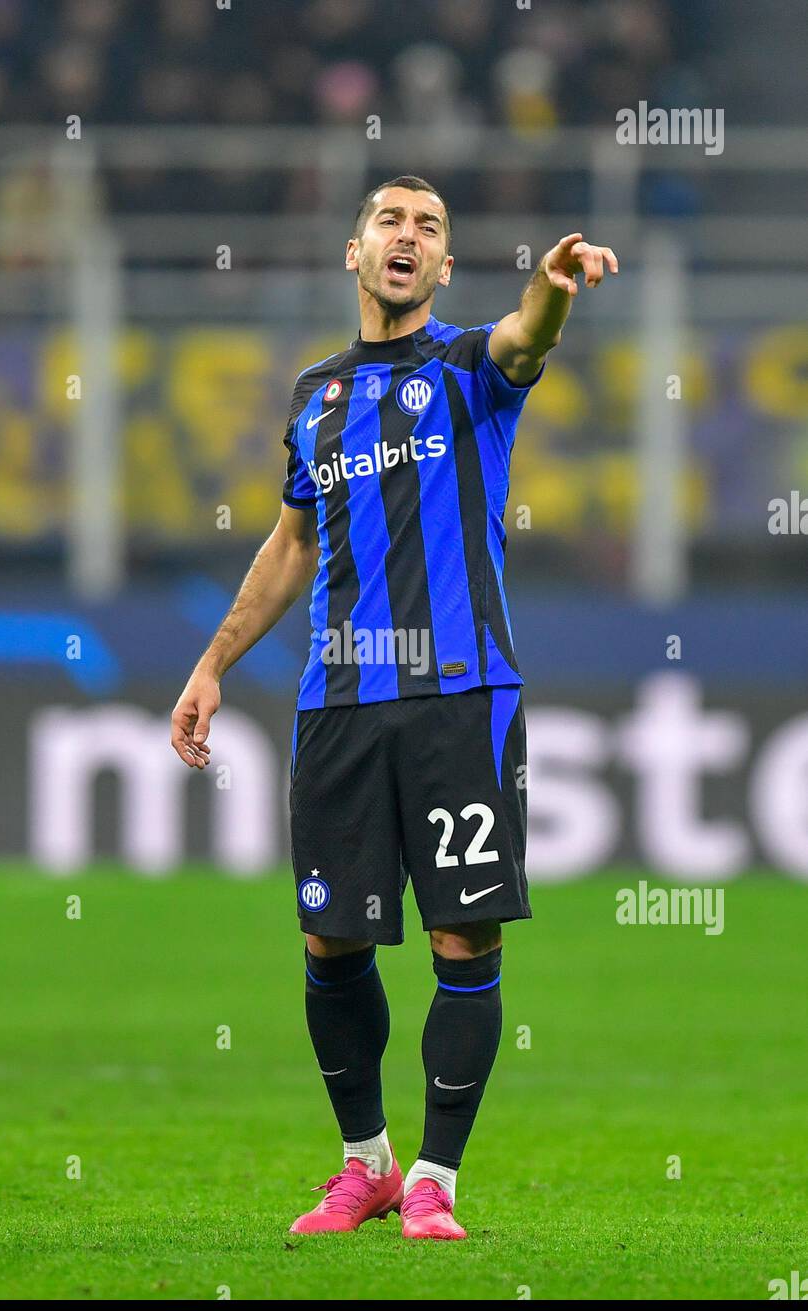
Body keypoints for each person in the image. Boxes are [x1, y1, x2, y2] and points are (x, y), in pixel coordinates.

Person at [171, 175, 618, 1239]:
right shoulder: (314, 397)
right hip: (336, 701)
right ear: (354, 251)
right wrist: (212, 661)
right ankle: (364, 1163)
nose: (406, 237)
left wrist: (553, 289)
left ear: (444, 265)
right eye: (388, 221)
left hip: (460, 698)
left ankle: (434, 1179)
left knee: (461, 941)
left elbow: (524, 338)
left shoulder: (467, 368)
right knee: (332, 942)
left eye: (427, 227)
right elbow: (289, 543)